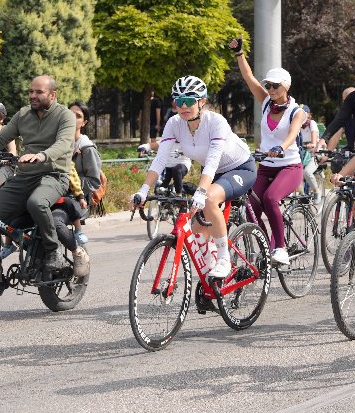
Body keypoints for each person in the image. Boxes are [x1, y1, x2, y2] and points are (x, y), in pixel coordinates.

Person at [129, 75, 256, 279]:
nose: (184, 106)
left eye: (189, 100)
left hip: (239, 167)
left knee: (208, 199)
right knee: (196, 235)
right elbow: (160, 159)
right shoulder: (174, 123)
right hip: (214, 174)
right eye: (179, 101)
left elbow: (213, 161)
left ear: (202, 101)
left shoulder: (216, 122)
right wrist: (143, 189)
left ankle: (224, 259)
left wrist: (202, 191)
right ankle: (213, 282)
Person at [0, 76, 77, 273]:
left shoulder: (65, 115)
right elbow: (1, 137)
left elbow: (64, 143)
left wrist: (42, 155)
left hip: (54, 175)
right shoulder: (23, 114)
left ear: (52, 94)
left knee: (36, 203)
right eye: (31, 91)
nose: (33, 95)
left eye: (38, 92)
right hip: (25, 176)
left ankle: (53, 250)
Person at [230, 40, 308, 268]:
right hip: (265, 165)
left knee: (271, 198)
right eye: (269, 85)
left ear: (286, 87)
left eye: (275, 86)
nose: (271, 89)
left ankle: (280, 247)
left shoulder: (297, 111)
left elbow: (293, 133)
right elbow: (248, 77)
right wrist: (239, 53)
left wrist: (281, 148)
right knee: (250, 206)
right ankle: (266, 245)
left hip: (289, 166)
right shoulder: (265, 103)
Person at [70, 102, 103, 206]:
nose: (72, 118)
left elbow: (94, 182)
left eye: (78, 116)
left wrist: (69, 182)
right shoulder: (57, 143)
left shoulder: (87, 148)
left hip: (79, 200)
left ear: (84, 122)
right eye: (69, 114)